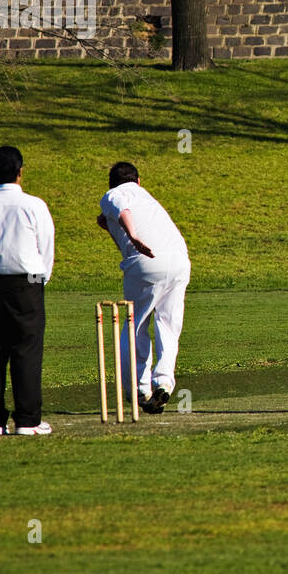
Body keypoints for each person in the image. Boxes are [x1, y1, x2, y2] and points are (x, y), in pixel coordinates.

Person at [0, 146, 55, 435]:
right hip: (27, 283)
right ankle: (28, 420)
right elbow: (46, 247)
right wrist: (41, 279)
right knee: (26, 351)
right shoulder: (34, 205)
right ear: (20, 172)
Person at [97, 162, 191, 413]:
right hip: (180, 260)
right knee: (168, 325)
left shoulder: (114, 194)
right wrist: (115, 230)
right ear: (139, 181)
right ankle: (164, 382)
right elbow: (122, 224)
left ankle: (140, 388)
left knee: (134, 324)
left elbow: (122, 209)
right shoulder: (147, 198)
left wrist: (134, 236)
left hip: (147, 262)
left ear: (111, 183)